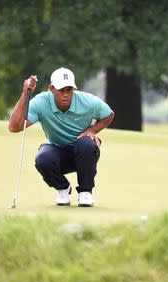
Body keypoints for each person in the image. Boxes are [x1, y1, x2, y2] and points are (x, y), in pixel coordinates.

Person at [8, 67, 114, 207]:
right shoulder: (42, 102)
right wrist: (25, 94)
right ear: (51, 89)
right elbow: (14, 127)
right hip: (58, 155)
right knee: (43, 158)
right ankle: (63, 188)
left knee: (86, 144)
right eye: (61, 90)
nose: (66, 94)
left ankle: (85, 192)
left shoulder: (88, 101)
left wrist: (92, 130)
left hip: (84, 154)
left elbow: (109, 114)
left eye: (69, 90)